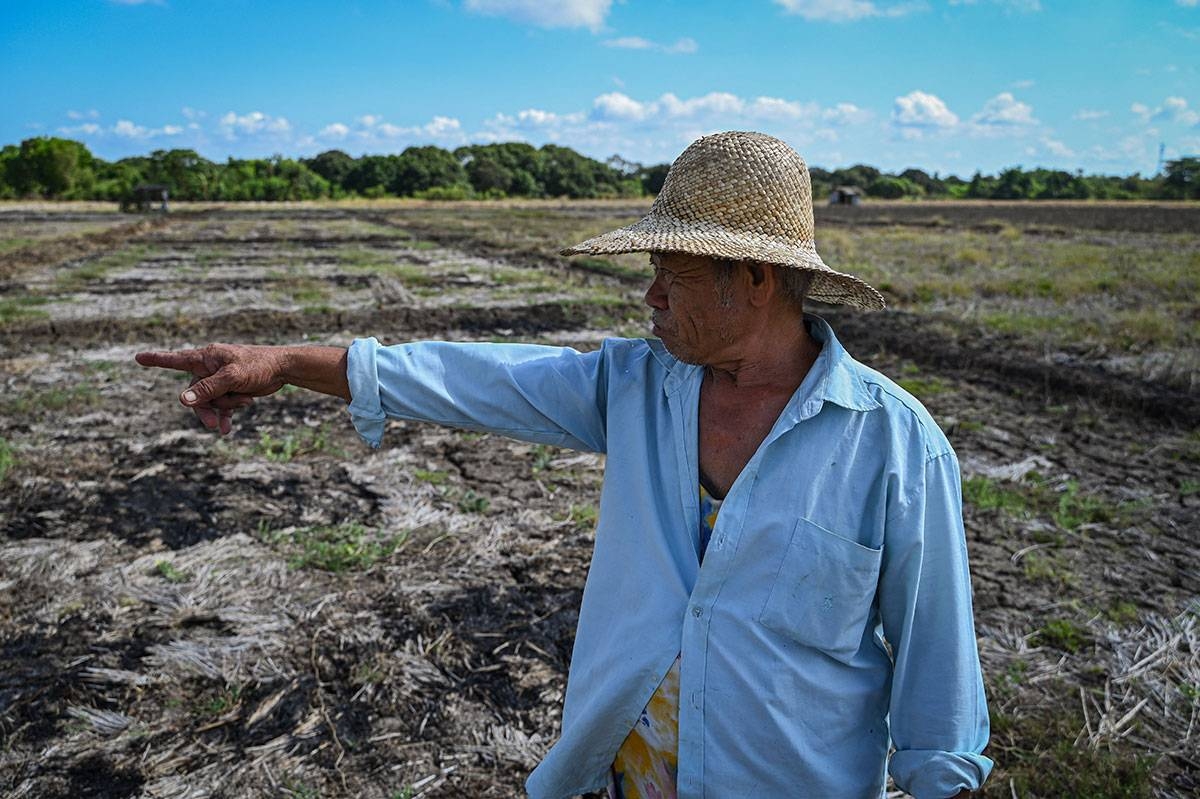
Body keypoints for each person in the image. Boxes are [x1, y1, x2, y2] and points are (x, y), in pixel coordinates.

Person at [137, 131, 991, 799]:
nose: (650, 295)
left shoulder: (893, 443)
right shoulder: (635, 388)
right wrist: (287, 362)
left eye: (671, 271)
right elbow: (468, 378)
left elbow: (937, 666)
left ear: (757, 278)